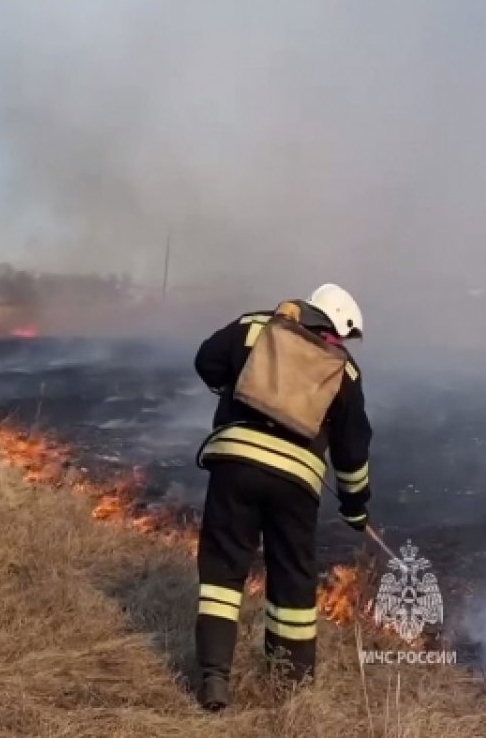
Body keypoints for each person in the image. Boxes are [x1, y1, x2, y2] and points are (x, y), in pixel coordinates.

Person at [190, 283, 373, 712]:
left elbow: (206, 361)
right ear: (339, 326)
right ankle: (291, 687)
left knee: (223, 570)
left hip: (235, 466)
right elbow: (352, 450)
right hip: (296, 485)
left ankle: (214, 677)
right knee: (292, 577)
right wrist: (354, 505)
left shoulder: (255, 328)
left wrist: (235, 383)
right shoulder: (344, 370)